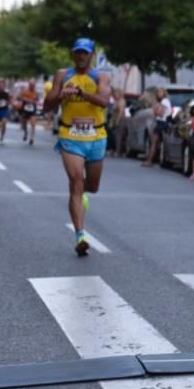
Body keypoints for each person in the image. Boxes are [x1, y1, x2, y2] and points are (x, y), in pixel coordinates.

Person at [43, 38, 112, 256]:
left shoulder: (100, 76)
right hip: (70, 136)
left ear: (91, 55)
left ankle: (83, 196)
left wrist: (81, 94)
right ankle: (80, 235)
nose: (81, 56)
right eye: (77, 52)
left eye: (85, 52)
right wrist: (59, 94)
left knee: (92, 186)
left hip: (96, 135)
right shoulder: (63, 75)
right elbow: (47, 105)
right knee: (76, 181)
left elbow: (103, 101)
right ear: (73, 54)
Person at [142, 87, 172, 167]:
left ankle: (149, 161)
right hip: (161, 122)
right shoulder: (164, 101)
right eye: (158, 92)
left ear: (164, 93)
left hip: (162, 123)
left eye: (160, 92)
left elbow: (160, 114)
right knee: (157, 143)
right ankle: (152, 160)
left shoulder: (164, 102)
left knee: (153, 142)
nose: (159, 94)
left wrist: (155, 109)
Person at [17, 80, 39, 145]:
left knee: (33, 124)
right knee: (24, 123)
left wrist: (34, 100)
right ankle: (25, 133)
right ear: (29, 85)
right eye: (31, 85)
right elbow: (18, 97)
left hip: (32, 109)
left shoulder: (35, 92)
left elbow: (37, 99)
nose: (32, 86)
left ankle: (32, 138)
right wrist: (25, 99)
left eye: (33, 85)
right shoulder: (25, 91)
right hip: (25, 109)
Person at [107, 88, 127, 155]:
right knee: (113, 135)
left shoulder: (121, 101)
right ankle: (113, 149)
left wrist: (118, 121)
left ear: (120, 94)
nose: (115, 94)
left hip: (120, 120)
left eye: (116, 93)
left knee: (118, 136)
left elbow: (121, 112)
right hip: (114, 119)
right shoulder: (116, 101)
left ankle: (118, 151)